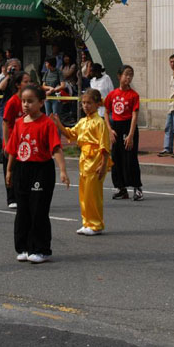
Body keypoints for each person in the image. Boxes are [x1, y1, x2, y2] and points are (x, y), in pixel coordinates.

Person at [5, 84, 71, 263]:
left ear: (41, 103)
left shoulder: (47, 123)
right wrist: (9, 170)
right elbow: (13, 150)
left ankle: (41, 249)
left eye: (30, 101)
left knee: (38, 210)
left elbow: (56, 148)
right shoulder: (19, 123)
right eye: (23, 101)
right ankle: (24, 247)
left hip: (41, 170)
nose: (26, 105)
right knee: (23, 210)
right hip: (22, 169)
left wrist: (63, 171)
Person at [52, 88, 111, 236]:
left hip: (95, 160)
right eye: (83, 103)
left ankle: (96, 224)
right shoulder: (83, 122)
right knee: (84, 193)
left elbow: (104, 146)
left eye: (89, 103)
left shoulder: (100, 122)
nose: (86, 106)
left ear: (97, 104)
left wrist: (103, 164)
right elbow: (70, 133)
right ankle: (87, 222)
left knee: (93, 194)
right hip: (84, 160)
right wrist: (58, 124)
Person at [104, 65, 143, 201]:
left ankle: (137, 188)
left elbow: (134, 116)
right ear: (119, 76)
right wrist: (110, 130)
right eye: (126, 74)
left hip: (129, 127)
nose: (129, 77)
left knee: (130, 158)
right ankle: (121, 188)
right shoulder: (112, 94)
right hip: (116, 128)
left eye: (131, 75)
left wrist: (131, 135)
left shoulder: (134, 95)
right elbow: (106, 112)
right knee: (116, 158)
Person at [2, 72, 31, 209]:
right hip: (12, 142)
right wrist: (7, 144)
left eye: (30, 81)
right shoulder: (12, 102)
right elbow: (5, 123)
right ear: (18, 85)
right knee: (10, 170)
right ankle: (11, 198)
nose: (29, 84)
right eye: (26, 81)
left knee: (23, 172)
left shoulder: (30, 102)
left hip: (24, 142)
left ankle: (23, 196)